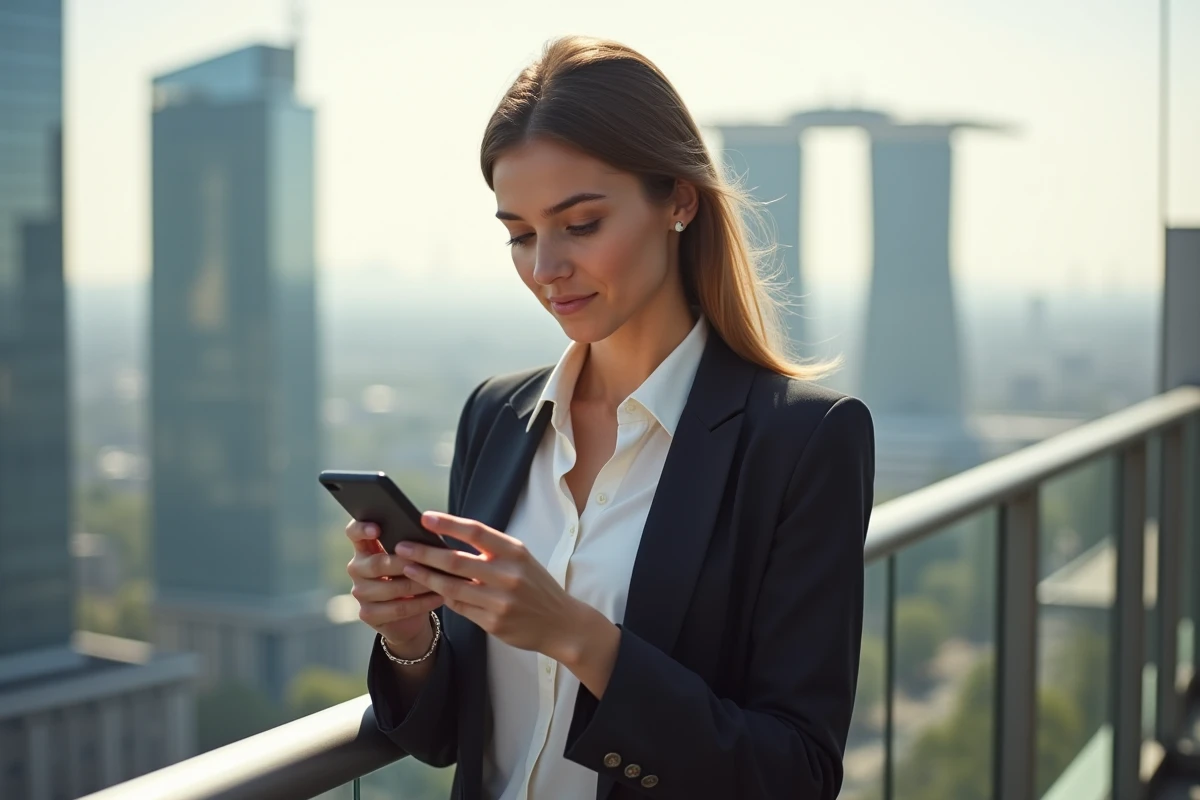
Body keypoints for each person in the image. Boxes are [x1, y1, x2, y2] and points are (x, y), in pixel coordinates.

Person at [345, 35, 875, 800]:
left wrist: (579, 637)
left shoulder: (802, 442)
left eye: (582, 223)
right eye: (520, 235)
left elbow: (797, 773)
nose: (545, 267)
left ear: (679, 201)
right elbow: (450, 739)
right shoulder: (496, 416)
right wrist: (407, 637)